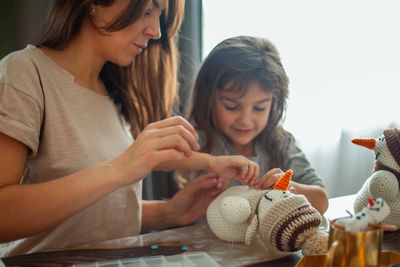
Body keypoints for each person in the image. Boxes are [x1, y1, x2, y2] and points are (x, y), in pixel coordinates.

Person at [0, 1, 260, 257]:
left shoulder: (111, 92)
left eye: (160, 15)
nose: (156, 31)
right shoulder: (25, 72)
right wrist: (121, 168)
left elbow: (96, 213)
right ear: (93, 4)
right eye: (147, 11)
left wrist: (169, 212)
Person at [181, 35, 328, 215]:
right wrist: (210, 164)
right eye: (231, 106)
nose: (245, 120)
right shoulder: (198, 140)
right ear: (209, 99)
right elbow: (162, 159)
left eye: (259, 108)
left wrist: (288, 187)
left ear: (275, 104)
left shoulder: (281, 142)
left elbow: (322, 201)